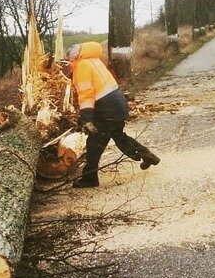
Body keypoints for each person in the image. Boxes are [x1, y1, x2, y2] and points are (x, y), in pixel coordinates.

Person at [64, 41, 160, 188]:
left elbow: (86, 95)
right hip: (117, 103)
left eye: (70, 61)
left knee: (94, 143)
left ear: (75, 57)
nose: (70, 64)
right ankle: (146, 155)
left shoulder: (82, 66)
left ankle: (90, 179)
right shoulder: (94, 61)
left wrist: (87, 120)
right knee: (118, 136)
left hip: (107, 107)